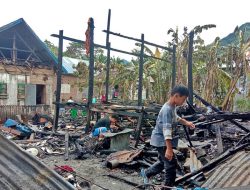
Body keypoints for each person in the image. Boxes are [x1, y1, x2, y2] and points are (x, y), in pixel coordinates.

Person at [141, 85, 195, 188]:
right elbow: (166, 131)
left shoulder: (172, 107)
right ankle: (167, 187)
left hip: (161, 140)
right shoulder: (167, 109)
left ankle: (146, 173)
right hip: (162, 141)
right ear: (176, 96)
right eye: (183, 99)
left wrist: (187, 123)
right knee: (171, 165)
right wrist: (169, 149)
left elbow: (176, 118)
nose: (184, 102)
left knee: (163, 161)